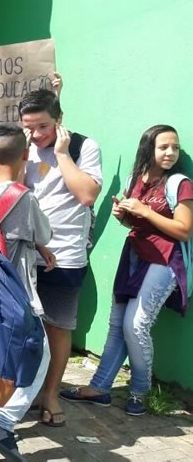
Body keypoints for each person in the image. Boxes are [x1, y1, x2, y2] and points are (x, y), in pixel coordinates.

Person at [61, 125, 191, 417]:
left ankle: (140, 391)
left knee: (136, 325)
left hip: (164, 260)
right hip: (134, 255)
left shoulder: (180, 183)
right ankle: (100, 387)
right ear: (149, 149)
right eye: (163, 147)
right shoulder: (137, 179)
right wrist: (125, 217)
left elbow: (183, 230)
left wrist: (145, 211)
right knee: (117, 324)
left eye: (175, 147)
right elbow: (137, 225)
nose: (170, 153)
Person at [20, 89, 103, 427]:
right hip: (25, 253)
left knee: (57, 327)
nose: (36, 135)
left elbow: (86, 194)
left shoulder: (84, 147)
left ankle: (51, 393)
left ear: (60, 121)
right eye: (28, 127)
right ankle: (28, 390)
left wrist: (62, 153)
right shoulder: (23, 147)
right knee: (26, 329)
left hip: (64, 256)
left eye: (43, 126)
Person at [0, 125, 54, 460]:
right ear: (25, 154)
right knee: (40, 355)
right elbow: (45, 232)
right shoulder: (24, 196)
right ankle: (2, 421)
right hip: (18, 291)